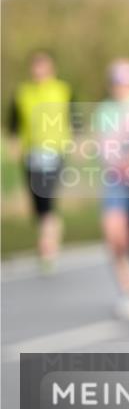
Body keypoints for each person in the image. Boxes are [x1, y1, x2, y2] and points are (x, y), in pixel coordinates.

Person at [8, 51, 73, 270]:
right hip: (31, 153)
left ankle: (47, 247)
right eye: (35, 67)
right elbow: (14, 122)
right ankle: (51, 233)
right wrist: (15, 144)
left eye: (43, 67)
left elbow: (74, 117)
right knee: (37, 203)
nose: (39, 72)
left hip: (55, 151)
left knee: (46, 198)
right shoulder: (22, 93)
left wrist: (78, 141)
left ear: (51, 68)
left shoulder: (63, 90)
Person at [95, 58, 129, 319]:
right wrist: (117, 162)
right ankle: (128, 292)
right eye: (117, 83)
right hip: (115, 180)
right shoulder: (105, 110)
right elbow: (103, 146)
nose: (121, 88)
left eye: (126, 83)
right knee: (113, 235)